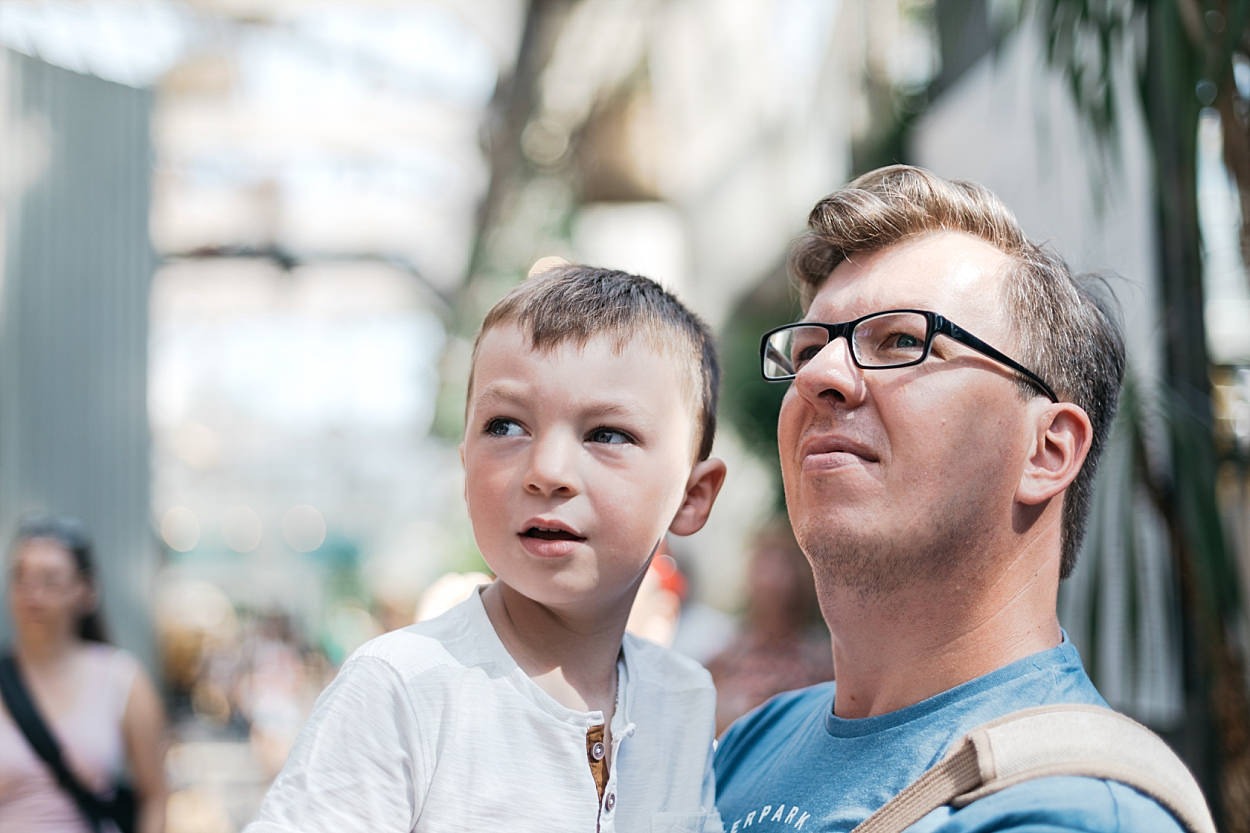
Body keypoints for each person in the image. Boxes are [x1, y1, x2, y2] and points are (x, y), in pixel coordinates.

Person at [713, 164, 1193, 831]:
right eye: (809, 348)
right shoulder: (748, 743)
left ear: (1046, 450)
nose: (819, 374)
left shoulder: (1070, 811)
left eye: (904, 340)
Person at [245, 263, 728, 832]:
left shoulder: (684, 696)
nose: (547, 472)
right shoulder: (401, 686)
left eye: (607, 435)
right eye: (505, 426)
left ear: (693, 496)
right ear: (465, 465)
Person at [0, 514, 168, 833]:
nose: (32, 594)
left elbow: (155, 795)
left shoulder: (121, 678)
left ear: (85, 591)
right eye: (21, 578)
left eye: (49, 580)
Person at [704, 518, 832, 735]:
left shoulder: (821, 662)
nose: (771, 581)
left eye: (781, 570)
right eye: (763, 570)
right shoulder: (726, 658)